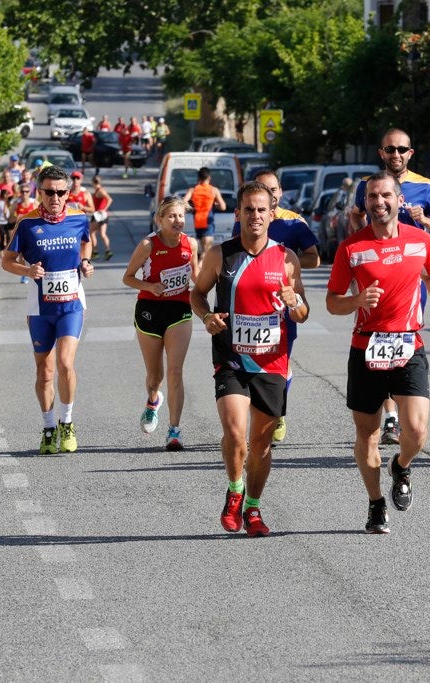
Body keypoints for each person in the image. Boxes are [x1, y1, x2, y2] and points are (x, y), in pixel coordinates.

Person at [326, 171, 430, 534]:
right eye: (372, 196)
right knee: (368, 435)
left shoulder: (420, 240)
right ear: (366, 202)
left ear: (398, 199)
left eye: (385, 195)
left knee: (417, 430)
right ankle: (375, 504)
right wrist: (357, 300)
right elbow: (332, 302)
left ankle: (401, 465)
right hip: (366, 348)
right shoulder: (351, 247)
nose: (378, 202)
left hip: (409, 344)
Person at [190, 181, 310, 537]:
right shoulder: (220, 254)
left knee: (261, 443)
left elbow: (303, 313)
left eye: (261, 210)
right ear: (238, 213)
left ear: (272, 214)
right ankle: (235, 491)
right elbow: (197, 295)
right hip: (231, 357)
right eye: (248, 210)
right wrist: (206, 317)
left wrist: (295, 303)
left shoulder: (286, 258)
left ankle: (254, 508)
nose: (255, 216)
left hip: (272, 361)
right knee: (235, 434)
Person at [349, 128, 430, 446]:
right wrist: (362, 244)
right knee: (381, 339)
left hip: (412, 280)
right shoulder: (371, 187)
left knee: (401, 342)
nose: (396, 154)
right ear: (381, 152)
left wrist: (426, 221)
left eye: (402, 149)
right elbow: (354, 218)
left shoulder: (425, 187)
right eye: (390, 149)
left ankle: (400, 409)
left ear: (411, 153)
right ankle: (391, 416)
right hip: (378, 276)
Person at [2, 165, 94, 454]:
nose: (55, 197)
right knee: (44, 372)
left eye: (60, 192)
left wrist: (86, 263)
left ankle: (66, 422)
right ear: (38, 192)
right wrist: (27, 270)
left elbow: (86, 244)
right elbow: (7, 261)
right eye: (49, 192)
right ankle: (48, 427)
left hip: (71, 305)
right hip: (39, 308)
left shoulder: (79, 218)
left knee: (66, 363)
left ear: (68, 193)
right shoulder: (26, 224)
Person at [231, 169, 320, 443]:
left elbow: (314, 259)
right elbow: (234, 256)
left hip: (281, 308)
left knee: (279, 365)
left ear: (279, 194)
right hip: (248, 309)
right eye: (263, 190)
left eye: (273, 191)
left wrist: (283, 264)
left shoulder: (294, 223)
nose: (269, 195)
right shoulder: (248, 219)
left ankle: (277, 412)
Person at [122, 195, 200, 450]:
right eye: (172, 216)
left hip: (179, 309)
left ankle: (174, 431)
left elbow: (197, 276)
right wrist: (150, 286)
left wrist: (216, 281)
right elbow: (128, 278)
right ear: (160, 219)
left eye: (181, 216)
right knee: (155, 377)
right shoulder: (148, 245)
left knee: (175, 372)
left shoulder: (192, 244)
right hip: (150, 310)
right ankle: (153, 400)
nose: (178, 221)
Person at [183, 167, 226, 258]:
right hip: (208, 222)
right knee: (206, 252)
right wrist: (215, 205)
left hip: (198, 222)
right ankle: (198, 269)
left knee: (204, 250)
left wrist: (192, 209)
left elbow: (183, 202)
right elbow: (223, 207)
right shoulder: (213, 190)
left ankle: (202, 271)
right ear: (209, 178)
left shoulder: (193, 190)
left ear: (198, 178)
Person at [90, 174, 114, 261]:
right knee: (103, 234)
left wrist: (103, 209)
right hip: (103, 216)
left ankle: (95, 252)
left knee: (92, 233)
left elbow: (109, 199)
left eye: (92, 182)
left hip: (99, 215)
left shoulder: (100, 191)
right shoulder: (98, 190)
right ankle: (108, 250)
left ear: (94, 182)